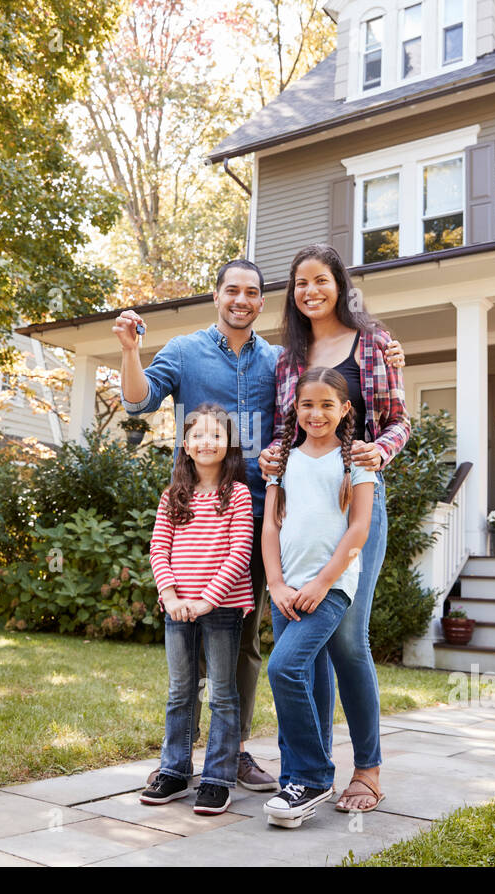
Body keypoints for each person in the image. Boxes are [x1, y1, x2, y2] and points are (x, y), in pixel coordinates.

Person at [115, 259, 406, 792]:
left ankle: (243, 752)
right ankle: (187, 759)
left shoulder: (285, 356)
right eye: (232, 290)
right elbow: (137, 403)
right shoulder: (191, 351)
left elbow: (384, 416)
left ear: (265, 301)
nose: (242, 300)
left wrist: (376, 444)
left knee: (260, 640)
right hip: (215, 512)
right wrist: (132, 351)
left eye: (253, 292)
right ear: (216, 294)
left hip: (287, 507)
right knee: (210, 639)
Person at [259, 243, 411, 814]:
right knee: (308, 643)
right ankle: (312, 772)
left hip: (356, 498)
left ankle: (367, 772)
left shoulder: (373, 342)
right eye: (300, 283)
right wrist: (273, 459)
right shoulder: (287, 357)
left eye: (320, 280)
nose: (310, 291)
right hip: (303, 504)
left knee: (348, 640)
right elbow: (283, 430)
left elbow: (399, 421)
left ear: (339, 284)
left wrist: (377, 453)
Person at [262, 367, 375, 828]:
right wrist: (275, 584)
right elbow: (270, 526)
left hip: (328, 588)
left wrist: (323, 582)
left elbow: (359, 529)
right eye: (308, 404)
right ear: (295, 408)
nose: (316, 413)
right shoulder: (282, 461)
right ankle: (297, 780)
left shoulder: (357, 462)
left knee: (284, 667)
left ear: (345, 410)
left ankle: (312, 776)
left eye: (328, 404)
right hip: (285, 587)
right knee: (299, 676)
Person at [140, 404, 254, 815]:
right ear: (185, 446)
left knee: (222, 694)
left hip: (220, 608)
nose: (207, 442)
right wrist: (170, 597)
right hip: (177, 608)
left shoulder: (237, 495)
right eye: (198, 436)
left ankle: (218, 778)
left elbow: (240, 552)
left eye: (216, 435)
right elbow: (159, 549)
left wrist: (209, 598)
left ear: (228, 445)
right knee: (179, 692)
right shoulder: (174, 496)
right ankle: (173, 770)